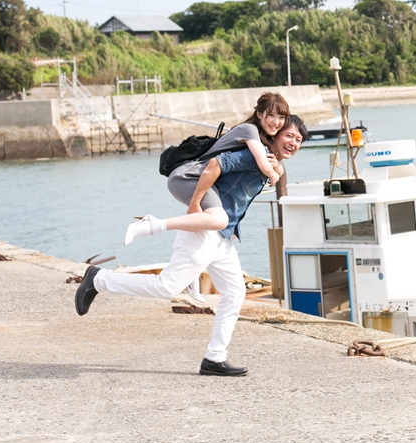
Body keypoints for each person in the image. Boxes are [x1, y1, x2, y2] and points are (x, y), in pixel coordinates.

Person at [74, 115, 307, 377]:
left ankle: (214, 359)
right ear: (275, 134)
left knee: (235, 292)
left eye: (298, 140)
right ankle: (99, 280)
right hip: (206, 232)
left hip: (223, 236)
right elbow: (214, 165)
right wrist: (195, 204)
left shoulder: (269, 162)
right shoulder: (254, 155)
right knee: (166, 287)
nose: (293, 143)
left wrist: (275, 173)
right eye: (289, 135)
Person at [124, 91, 289, 304]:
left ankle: (193, 284)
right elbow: (264, 164)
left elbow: (269, 164)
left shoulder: (259, 137)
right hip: (190, 176)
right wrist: (276, 174)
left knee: (206, 220)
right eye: (272, 115)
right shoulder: (249, 130)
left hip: (202, 180)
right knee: (218, 219)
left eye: (281, 118)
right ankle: (152, 224)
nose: (277, 122)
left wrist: (278, 167)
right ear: (259, 114)